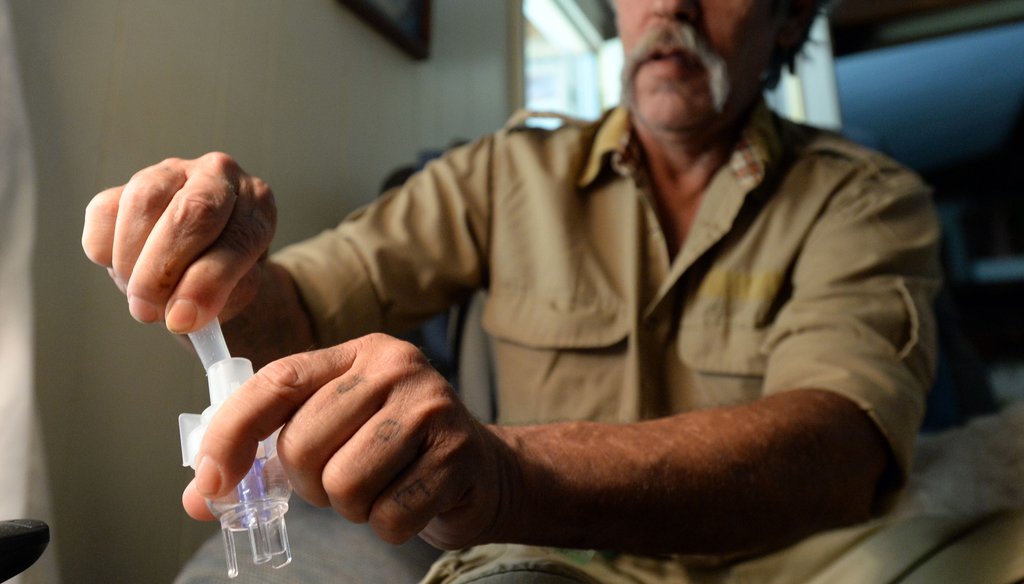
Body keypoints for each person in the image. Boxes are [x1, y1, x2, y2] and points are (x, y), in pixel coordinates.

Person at [83, 1, 1016, 582]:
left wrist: (505, 473)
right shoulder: (499, 175)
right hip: (533, 561)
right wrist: (231, 268)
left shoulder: (865, 196)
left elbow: (840, 445)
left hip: (790, 562)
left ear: (789, 16)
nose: (671, 8)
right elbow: (306, 315)